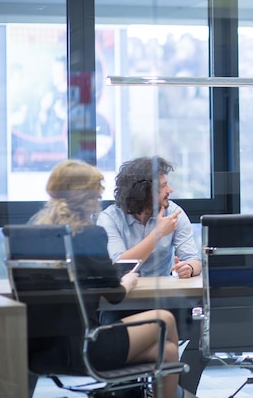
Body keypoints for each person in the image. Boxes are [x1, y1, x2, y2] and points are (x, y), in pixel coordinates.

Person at [30, 160, 182, 398]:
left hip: (39, 352)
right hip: (87, 346)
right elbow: (115, 295)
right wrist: (128, 281)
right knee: (164, 319)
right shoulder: (89, 235)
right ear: (88, 197)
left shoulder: (34, 233)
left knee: (168, 351)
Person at [96, 156, 205, 397]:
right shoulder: (109, 219)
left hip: (165, 301)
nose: (171, 190)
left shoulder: (175, 212)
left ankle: (181, 388)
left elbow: (194, 259)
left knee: (204, 323)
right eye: (164, 186)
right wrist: (156, 235)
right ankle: (128, 389)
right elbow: (120, 265)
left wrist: (189, 267)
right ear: (143, 192)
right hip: (124, 304)